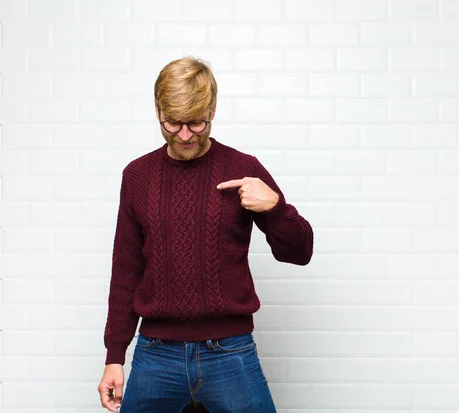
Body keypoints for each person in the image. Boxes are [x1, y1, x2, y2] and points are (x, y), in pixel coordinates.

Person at [97, 57, 314, 413]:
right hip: (155, 354)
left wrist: (274, 208)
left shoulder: (244, 169)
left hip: (230, 352)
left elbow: (300, 251)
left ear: (212, 109)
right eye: (173, 123)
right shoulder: (137, 175)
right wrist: (114, 355)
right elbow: (126, 270)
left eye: (196, 123)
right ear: (157, 112)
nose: (184, 135)